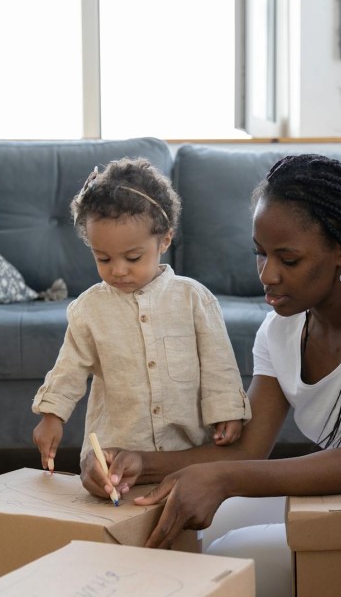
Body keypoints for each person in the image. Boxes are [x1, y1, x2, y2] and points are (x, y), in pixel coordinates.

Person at [80, 153, 341, 597]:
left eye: (288, 258)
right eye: (260, 254)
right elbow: (246, 453)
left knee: (208, 563)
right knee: (183, 524)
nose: (267, 275)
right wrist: (135, 463)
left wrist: (219, 479)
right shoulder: (280, 329)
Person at [32, 157, 251, 469]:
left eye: (133, 257)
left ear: (164, 240)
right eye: (103, 259)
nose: (118, 270)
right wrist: (51, 416)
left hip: (185, 453)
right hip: (114, 450)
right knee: (104, 494)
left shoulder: (194, 299)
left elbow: (219, 365)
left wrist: (228, 410)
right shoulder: (89, 309)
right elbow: (69, 369)